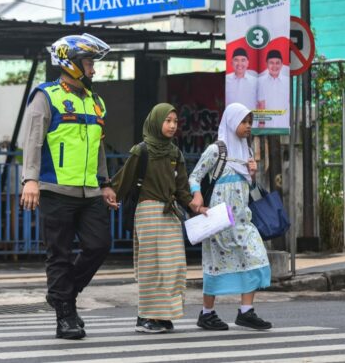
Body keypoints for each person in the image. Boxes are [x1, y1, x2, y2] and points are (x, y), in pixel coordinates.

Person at [20, 33, 118, 340]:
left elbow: (98, 148)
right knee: (59, 253)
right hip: (55, 189)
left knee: (99, 245)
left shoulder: (95, 101)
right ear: (71, 64)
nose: (93, 69)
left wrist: (105, 183)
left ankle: (62, 295)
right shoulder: (45, 96)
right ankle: (65, 316)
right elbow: (33, 141)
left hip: (90, 192)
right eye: (89, 63)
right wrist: (30, 180)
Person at [112, 103, 203, 333]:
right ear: (156, 121)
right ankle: (146, 317)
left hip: (170, 213)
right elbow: (123, 181)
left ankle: (162, 314)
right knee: (151, 267)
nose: (172, 126)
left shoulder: (175, 153)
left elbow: (181, 189)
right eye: (167, 121)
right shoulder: (141, 151)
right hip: (148, 212)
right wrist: (109, 195)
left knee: (174, 267)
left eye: (175, 121)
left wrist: (195, 206)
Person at [188, 102, 273, 331]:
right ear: (232, 121)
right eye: (243, 122)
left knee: (255, 256)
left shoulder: (246, 150)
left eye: (249, 122)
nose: (247, 127)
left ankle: (246, 312)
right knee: (215, 265)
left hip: (242, 220)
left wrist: (253, 174)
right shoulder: (217, 149)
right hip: (219, 221)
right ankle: (207, 313)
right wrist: (197, 196)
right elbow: (195, 176)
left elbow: (249, 188)